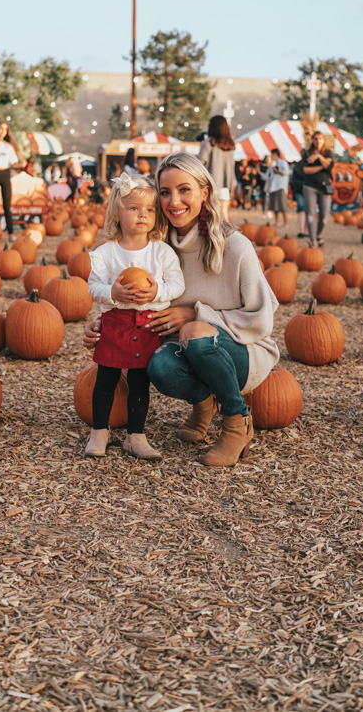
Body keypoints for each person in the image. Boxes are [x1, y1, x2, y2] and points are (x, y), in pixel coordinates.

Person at [84, 153, 280, 467]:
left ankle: (236, 420)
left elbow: (262, 317)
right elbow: (144, 299)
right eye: (165, 192)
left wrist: (197, 314)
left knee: (195, 331)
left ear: (205, 192)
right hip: (191, 349)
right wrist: (104, 320)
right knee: (160, 367)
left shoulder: (235, 246)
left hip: (243, 351)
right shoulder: (161, 248)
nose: (174, 200)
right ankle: (205, 403)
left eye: (184, 189)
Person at [85, 172, 185, 460]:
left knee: (140, 382)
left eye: (150, 209)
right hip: (114, 322)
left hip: (148, 325)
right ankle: (99, 431)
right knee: (106, 379)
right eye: (134, 208)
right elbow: (93, 287)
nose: (143, 215)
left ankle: (136, 436)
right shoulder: (106, 254)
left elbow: (178, 285)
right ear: (117, 213)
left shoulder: (161, 253)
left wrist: (156, 292)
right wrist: (113, 292)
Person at [197, 115, 236, 221]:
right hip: (225, 186)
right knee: (224, 218)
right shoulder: (231, 145)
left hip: (210, 185)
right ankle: (225, 237)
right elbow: (232, 167)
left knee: (208, 218)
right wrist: (231, 187)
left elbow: (200, 163)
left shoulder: (209, 143)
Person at [302, 131, 334, 247]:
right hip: (310, 186)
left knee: (324, 217)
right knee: (310, 215)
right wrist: (321, 166)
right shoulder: (306, 153)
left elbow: (328, 166)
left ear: (323, 140)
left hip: (324, 187)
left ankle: (318, 234)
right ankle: (313, 240)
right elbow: (306, 170)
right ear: (312, 140)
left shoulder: (328, 153)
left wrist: (318, 156)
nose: (317, 141)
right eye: (315, 139)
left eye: (320, 139)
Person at [263, 149, 289, 227]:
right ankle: (276, 222)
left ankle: (286, 223)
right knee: (275, 207)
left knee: (283, 206)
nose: (271, 156)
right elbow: (267, 176)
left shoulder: (282, 162)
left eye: (272, 154)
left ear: (275, 154)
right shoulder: (272, 164)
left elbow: (286, 173)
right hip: (273, 187)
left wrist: (277, 171)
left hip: (280, 186)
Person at [289, 158, 308, 237]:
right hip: (300, 190)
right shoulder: (297, 166)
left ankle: (306, 231)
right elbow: (293, 179)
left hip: (308, 190)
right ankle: (302, 231)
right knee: (301, 209)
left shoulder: (313, 164)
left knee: (308, 211)